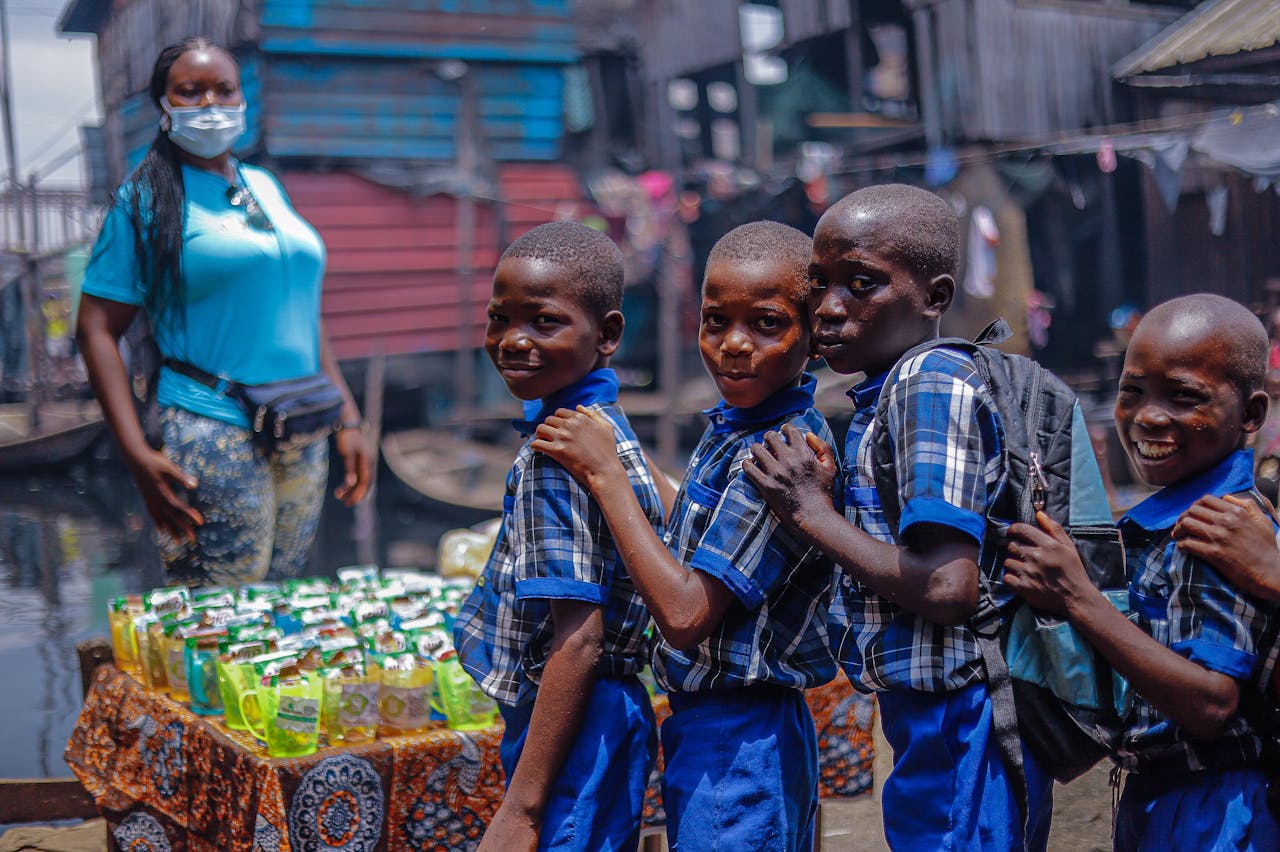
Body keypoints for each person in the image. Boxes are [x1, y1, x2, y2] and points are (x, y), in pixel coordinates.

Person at [743, 184, 1053, 850]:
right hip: (935, 715)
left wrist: (810, 512)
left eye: (862, 284)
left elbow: (947, 587)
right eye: (819, 284)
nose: (829, 308)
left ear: (936, 297)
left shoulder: (927, 383)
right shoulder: (886, 396)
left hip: (965, 714)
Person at [532, 221, 837, 851]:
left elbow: (684, 612)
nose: (733, 344)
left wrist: (607, 476)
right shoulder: (739, 425)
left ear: (814, 336)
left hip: (738, 734)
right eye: (715, 320)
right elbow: (696, 520)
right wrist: (629, 466)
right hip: (720, 727)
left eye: (767, 324)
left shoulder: (780, 453)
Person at [75, 37, 369, 586]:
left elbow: (301, 311)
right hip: (211, 423)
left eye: (223, 89)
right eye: (190, 92)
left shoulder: (265, 186)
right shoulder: (145, 200)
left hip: (302, 417)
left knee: (284, 600)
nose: (210, 104)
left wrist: (349, 417)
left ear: (242, 96)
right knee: (224, 607)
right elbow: (95, 327)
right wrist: (136, 452)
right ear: (164, 106)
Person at [1003, 294, 1280, 851]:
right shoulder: (1164, 523)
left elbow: (1210, 704)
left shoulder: (1218, 529)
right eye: (1133, 392)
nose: (1150, 416)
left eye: (1185, 397)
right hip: (1161, 798)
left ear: (1250, 414)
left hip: (1215, 810)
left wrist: (1079, 599)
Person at [451, 221, 664, 852]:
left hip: (574, 720)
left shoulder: (557, 455)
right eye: (499, 319)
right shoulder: (599, 424)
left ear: (607, 336)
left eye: (544, 322)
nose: (513, 341)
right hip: (600, 714)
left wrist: (521, 809)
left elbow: (578, 640)